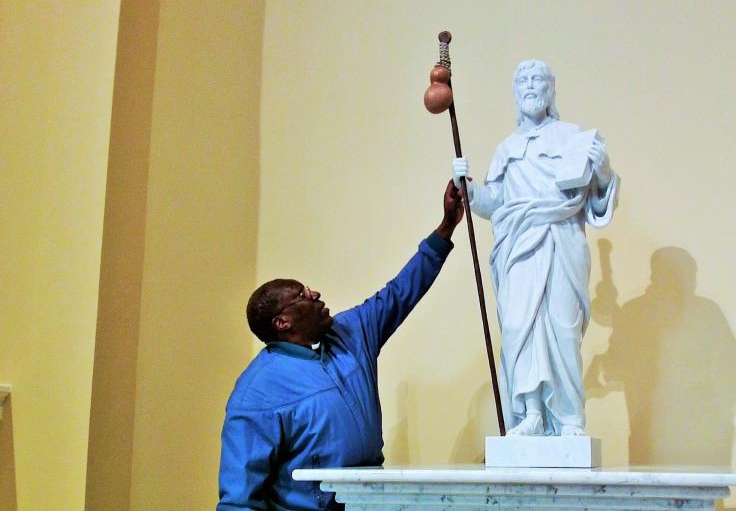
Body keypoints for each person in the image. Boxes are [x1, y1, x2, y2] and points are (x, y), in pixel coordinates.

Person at [217, 180, 464, 510]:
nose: (315, 294)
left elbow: (400, 292)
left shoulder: (351, 333)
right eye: (301, 295)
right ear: (282, 322)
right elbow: (239, 499)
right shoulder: (257, 392)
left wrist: (447, 225)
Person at [452, 59, 619, 437]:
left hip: (561, 240)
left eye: (538, 80)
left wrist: (604, 170)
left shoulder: (575, 138)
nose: (530, 86)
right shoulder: (506, 149)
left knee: (562, 327)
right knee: (518, 328)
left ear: (551, 90)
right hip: (517, 248)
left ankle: (570, 418)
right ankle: (531, 414)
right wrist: (469, 188)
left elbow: (596, 199)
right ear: (515, 93)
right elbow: (495, 202)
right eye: (523, 80)